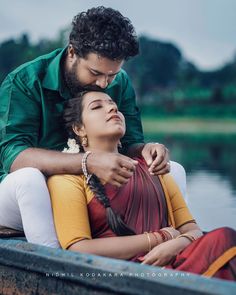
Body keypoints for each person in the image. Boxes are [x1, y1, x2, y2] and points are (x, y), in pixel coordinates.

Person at [0, 6, 185, 247]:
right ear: (72, 52)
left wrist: (148, 150)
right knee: (29, 179)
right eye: (95, 73)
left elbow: (129, 145)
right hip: (28, 199)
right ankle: (58, 270)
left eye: (112, 75)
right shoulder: (25, 81)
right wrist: (88, 162)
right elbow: (12, 156)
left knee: (172, 169)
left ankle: (174, 251)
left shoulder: (118, 82)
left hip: (84, 195)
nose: (103, 84)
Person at [48, 91, 236, 281]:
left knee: (224, 239)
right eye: (97, 106)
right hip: (119, 274)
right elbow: (78, 249)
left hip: (175, 261)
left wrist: (177, 244)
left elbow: (192, 229)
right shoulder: (68, 179)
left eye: (113, 104)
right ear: (79, 129)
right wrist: (159, 238)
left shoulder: (151, 167)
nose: (113, 108)